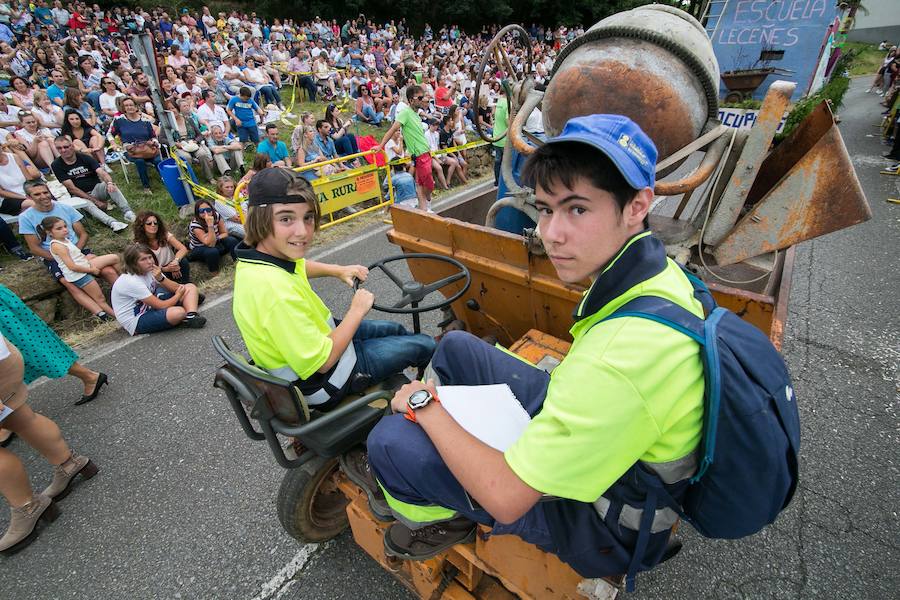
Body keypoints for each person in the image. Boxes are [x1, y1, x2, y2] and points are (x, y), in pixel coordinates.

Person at [363, 115, 704, 585]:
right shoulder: (647, 273)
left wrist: (425, 406)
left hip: (602, 520)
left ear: (636, 207)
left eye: (577, 209)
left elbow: (508, 496)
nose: (550, 233)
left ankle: (445, 511)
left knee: (389, 440)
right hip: (606, 445)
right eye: (545, 209)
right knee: (458, 346)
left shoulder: (623, 356)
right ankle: (452, 473)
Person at [232, 167, 435, 412]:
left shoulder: (257, 259)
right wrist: (356, 311)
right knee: (426, 345)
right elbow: (325, 362)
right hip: (326, 382)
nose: (303, 231)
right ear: (259, 219)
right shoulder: (274, 294)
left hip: (321, 343)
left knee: (395, 329)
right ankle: (423, 401)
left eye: (307, 217)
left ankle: (400, 376)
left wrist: (337, 270)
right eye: (286, 219)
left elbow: (298, 265)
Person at [0, 330, 98, 552]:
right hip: (4, 361)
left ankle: (27, 507)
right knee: (20, 417)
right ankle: (68, 463)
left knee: (19, 419)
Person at [111, 243, 206, 335]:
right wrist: (178, 296)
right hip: (136, 320)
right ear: (133, 263)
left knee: (189, 287)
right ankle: (187, 304)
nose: (149, 262)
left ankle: (191, 316)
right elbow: (161, 306)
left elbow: (178, 288)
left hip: (150, 306)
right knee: (178, 312)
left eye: (150, 257)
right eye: (143, 259)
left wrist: (161, 278)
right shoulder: (131, 281)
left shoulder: (149, 270)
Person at [39, 215, 118, 322]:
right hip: (79, 274)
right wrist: (92, 270)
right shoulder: (58, 245)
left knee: (114, 258)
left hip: (84, 266)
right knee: (100, 299)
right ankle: (116, 316)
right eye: (59, 228)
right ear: (49, 232)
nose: (65, 230)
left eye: (65, 226)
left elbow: (75, 257)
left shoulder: (64, 240)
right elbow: (71, 266)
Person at [51, 134, 135, 224]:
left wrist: (109, 183)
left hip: (96, 189)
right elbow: (72, 189)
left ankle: (127, 212)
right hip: (80, 195)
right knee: (89, 204)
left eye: (66, 147)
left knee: (110, 185)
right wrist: (96, 201)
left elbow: (102, 173)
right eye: (59, 148)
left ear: (72, 146)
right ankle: (111, 222)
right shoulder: (56, 165)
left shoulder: (85, 157)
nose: (63, 150)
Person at [376, 85, 433, 211]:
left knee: (422, 183)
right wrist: (381, 145)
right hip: (419, 154)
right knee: (427, 184)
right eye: (419, 97)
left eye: (423, 97)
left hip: (425, 152)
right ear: (411, 100)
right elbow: (392, 129)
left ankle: (424, 209)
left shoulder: (415, 113)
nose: (422, 99)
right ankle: (426, 204)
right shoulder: (405, 113)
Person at [109, 96, 161, 194]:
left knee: (158, 160)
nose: (129, 107)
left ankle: (166, 180)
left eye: (131, 105)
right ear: (123, 108)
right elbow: (109, 134)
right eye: (126, 106)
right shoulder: (119, 121)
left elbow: (153, 136)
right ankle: (146, 187)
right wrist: (114, 144)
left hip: (147, 148)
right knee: (140, 161)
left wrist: (155, 142)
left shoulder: (145, 121)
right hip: (131, 150)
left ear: (136, 106)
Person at [133, 211, 190, 284]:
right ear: (141, 226)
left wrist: (175, 262)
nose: (153, 225)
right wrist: (166, 269)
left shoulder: (165, 235)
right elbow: (147, 266)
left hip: (173, 264)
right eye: (149, 223)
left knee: (183, 262)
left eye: (155, 223)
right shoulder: (139, 245)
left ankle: (186, 285)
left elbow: (183, 249)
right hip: (158, 271)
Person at [187, 199, 240, 276]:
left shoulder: (216, 216)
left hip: (216, 241)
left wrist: (217, 238)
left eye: (208, 210)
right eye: (202, 211)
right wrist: (210, 225)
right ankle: (215, 274)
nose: (206, 213)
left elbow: (225, 233)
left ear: (212, 209)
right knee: (212, 252)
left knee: (232, 240)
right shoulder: (195, 225)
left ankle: (238, 263)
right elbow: (210, 244)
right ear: (198, 213)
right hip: (199, 248)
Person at [172, 97, 214, 181]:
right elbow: (162, 139)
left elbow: (199, 135)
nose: (173, 111)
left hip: (192, 143)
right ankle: (189, 180)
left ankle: (210, 177)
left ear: (178, 109)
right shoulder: (168, 124)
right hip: (179, 145)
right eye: (170, 109)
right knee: (186, 157)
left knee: (202, 154)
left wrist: (195, 141)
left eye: (173, 108)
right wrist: (175, 143)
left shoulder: (188, 120)